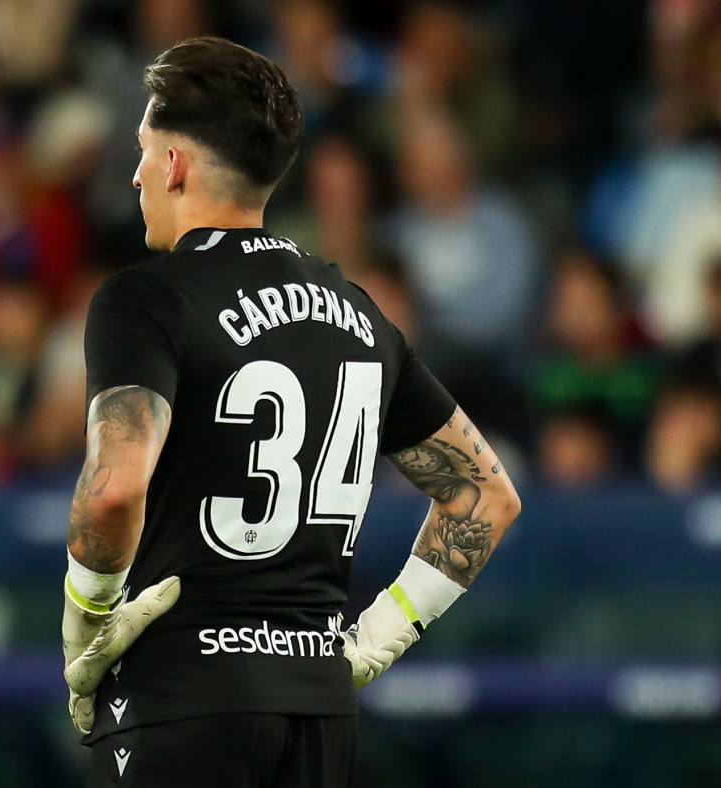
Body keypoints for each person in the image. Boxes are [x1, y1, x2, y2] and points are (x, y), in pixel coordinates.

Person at [60, 38, 523, 788]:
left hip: (180, 697)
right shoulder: (361, 315)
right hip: (319, 708)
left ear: (174, 165)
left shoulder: (146, 299)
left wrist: (86, 616)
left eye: (143, 151)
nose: (136, 172)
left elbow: (114, 490)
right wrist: (381, 632)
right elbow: (485, 495)